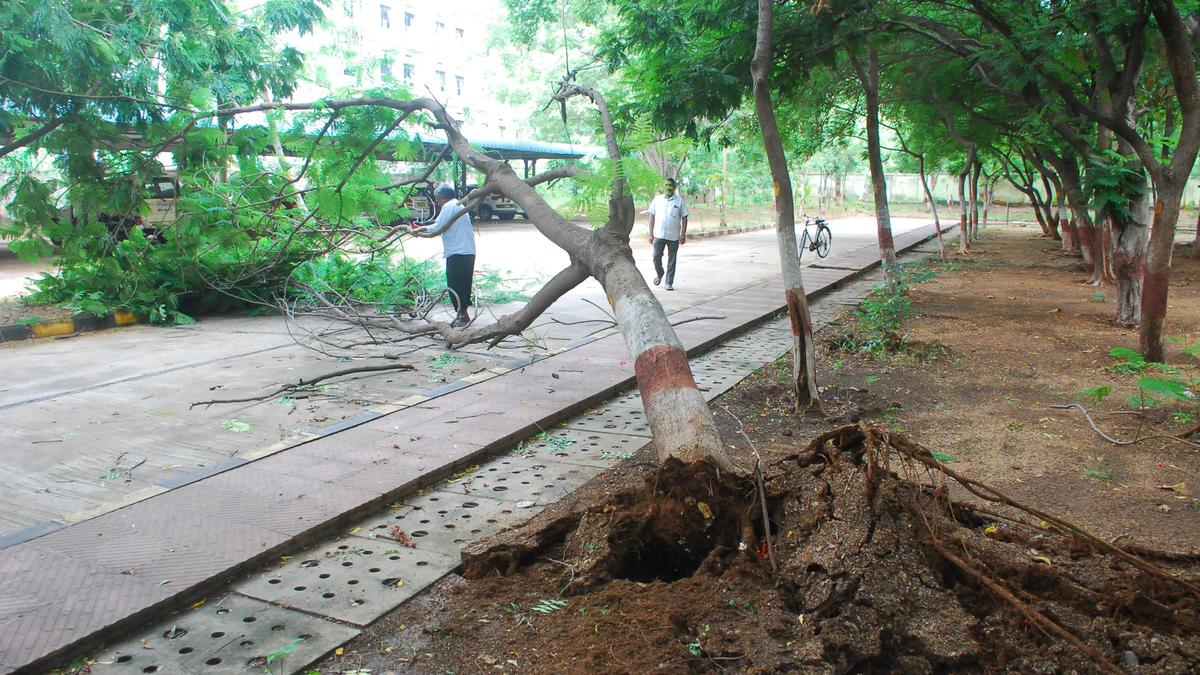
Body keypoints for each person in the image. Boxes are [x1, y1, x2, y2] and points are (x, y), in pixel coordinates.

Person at [410, 184, 475, 327]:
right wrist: (423, 227)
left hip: (457, 252)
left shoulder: (448, 206)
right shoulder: (458, 206)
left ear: (443, 197)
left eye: (437, 199)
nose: (437, 202)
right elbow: (442, 224)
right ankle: (464, 316)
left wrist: (419, 229)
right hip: (468, 251)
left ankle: (463, 317)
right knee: (464, 285)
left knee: (454, 285)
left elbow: (437, 228)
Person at [647, 177, 689, 291]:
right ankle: (660, 273)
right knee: (656, 257)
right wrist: (650, 233)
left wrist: (683, 234)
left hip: (673, 236)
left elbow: (685, 217)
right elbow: (652, 216)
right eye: (666, 185)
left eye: (670, 185)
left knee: (672, 259)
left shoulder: (679, 201)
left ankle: (669, 282)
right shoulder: (657, 200)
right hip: (658, 235)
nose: (668, 187)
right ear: (663, 186)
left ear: (674, 188)